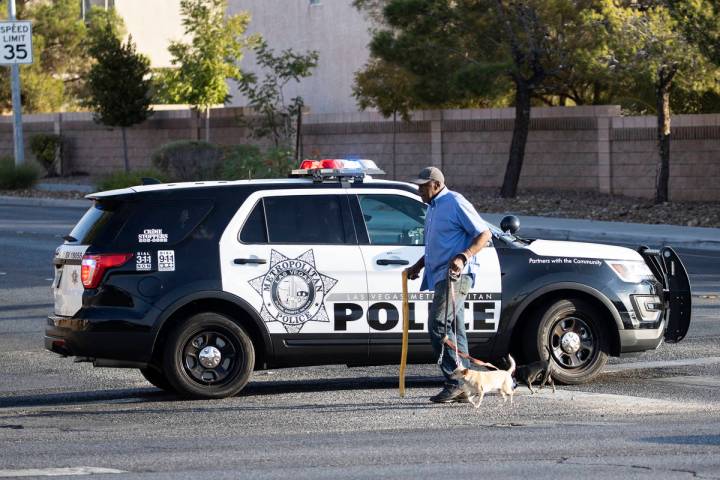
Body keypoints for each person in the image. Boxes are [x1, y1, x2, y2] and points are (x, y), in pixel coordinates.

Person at [405, 166, 493, 403]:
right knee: (454, 330)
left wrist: (463, 256)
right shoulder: (433, 208)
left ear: (435, 184)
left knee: (438, 325)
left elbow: (484, 234)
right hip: (440, 276)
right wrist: (419, 265)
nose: (419, 190)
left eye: (422, 186)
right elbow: (439, 244)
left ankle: (455, 382)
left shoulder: (455, 202)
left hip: (456, 277)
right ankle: (467, 383)